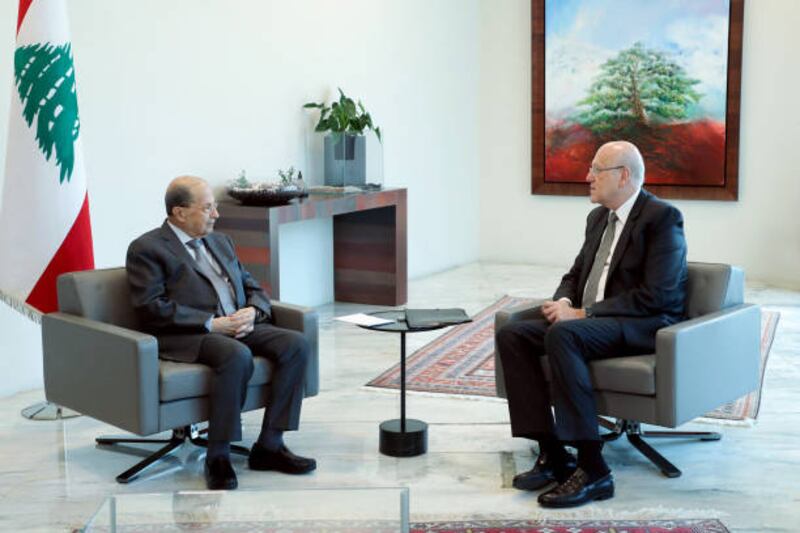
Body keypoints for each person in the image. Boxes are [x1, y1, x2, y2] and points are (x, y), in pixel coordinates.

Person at [496, 141, 687, 508]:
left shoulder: (662, 218)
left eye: (596, 170)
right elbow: (576, 273)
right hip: (592, 322)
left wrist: (584, 314)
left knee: (565, 333)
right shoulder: (598, 217)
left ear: (623, 175)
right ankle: (553, 454)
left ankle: (594, 468)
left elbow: (659, 296)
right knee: (513, 334)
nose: (587, 177)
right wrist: (565, 301)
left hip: (643, 325)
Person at [126, 175, 316, 490]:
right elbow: (150, 307)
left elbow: (253, 285)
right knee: (236, 354)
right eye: (208, 208)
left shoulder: (220, 241)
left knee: (296, 344)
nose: (216, 215)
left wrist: (253, 312)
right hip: (191, 334)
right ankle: (219, 455)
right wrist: (210, 324)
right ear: (180, 213)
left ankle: (270, 445)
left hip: (237, 324)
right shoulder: (147, 248)